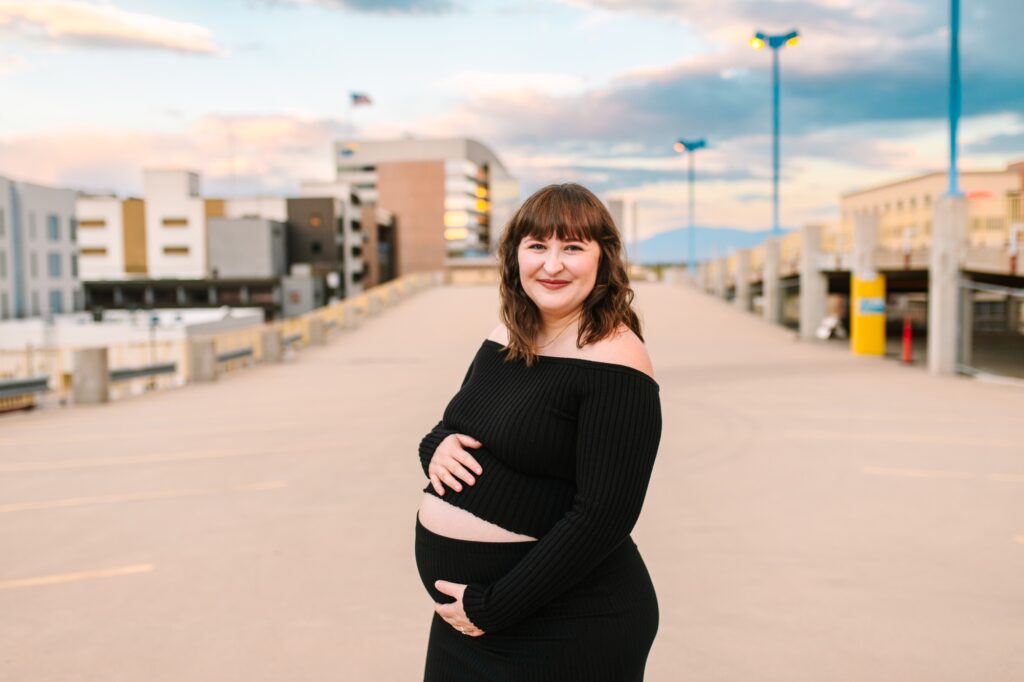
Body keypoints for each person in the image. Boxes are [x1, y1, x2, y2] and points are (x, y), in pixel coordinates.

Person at [414, 182, 663, 681]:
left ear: (602, 260)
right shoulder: (505, 334)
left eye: (572, 247)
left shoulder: (617, 359)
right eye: (538, 246)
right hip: (468, 620)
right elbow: (454, 424)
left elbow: (604, 516)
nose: (552, 265)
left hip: (565, 623)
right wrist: (435, 447)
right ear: (515, 256)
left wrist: (495, 606)